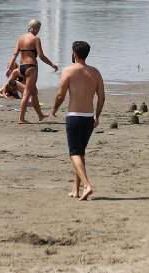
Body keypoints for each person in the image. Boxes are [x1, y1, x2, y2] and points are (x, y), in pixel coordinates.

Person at [49, 41, 105, 201]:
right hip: (88, 118)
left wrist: (54, 109)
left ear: (74, 53)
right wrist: (98, 115)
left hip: (74, 117)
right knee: (80, 153)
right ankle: (75, 190)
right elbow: (102, 96)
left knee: (74, 153)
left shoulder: (68, 70)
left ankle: (86, 185)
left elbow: (60, 95)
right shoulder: (95, 72)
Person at [6, 19, 58, 124]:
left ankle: (40, 115)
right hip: (31, 67)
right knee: (27, 93)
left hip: (22, 67)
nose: (39, 30)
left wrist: (10, 66)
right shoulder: (36, 39)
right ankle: (21, 119)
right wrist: (52, 64)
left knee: (34, 92)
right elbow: (41, 56)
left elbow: (15, 54)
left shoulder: (21, 38)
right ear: (34, 28)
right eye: (38, 28)